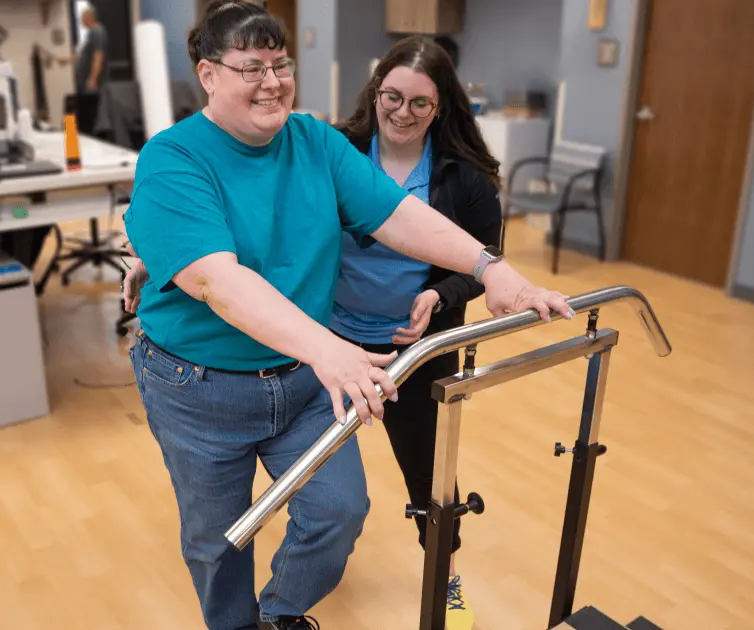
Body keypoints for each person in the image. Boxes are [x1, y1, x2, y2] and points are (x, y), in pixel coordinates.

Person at [120, 2, 573, 629]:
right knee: (219, 538)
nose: (272, 82)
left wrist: (490, 267)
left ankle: (280, 614)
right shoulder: (174, 159)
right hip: (202, 387)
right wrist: (328, 349)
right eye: (251, 68)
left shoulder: (315, 141)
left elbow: (395, 215)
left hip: (303, 380)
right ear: (209, 74)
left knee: (338, 511)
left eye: (281, 65)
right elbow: (219, 282)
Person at [329, 35, 499, 630]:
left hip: (417, 351)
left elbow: (483, 259)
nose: (401, 112)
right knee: (311, 469)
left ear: (441, 108)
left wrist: (440, 293)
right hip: (331, 346)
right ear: (374, 92)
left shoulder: (465, 178)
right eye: (391, 96)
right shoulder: (338, 151)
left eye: (419, 104)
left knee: (432, 478)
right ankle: (315, 558)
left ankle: (446, 583)